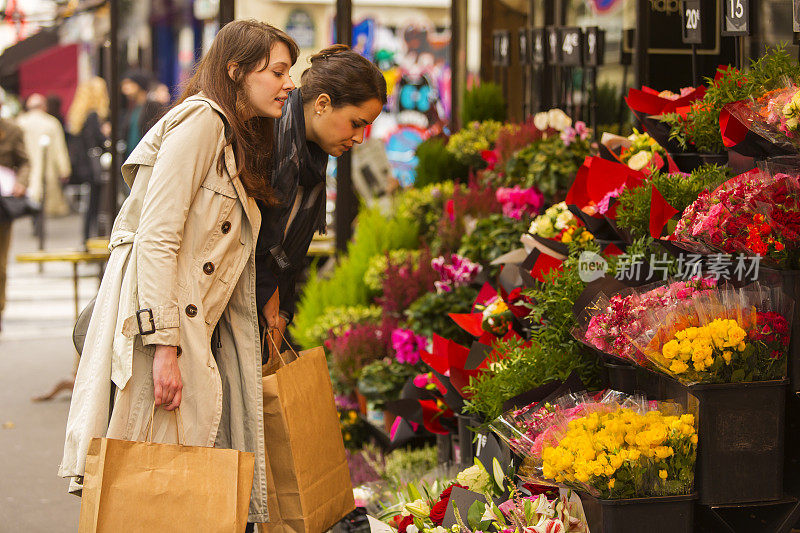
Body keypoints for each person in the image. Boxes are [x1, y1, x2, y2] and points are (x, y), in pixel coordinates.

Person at [59, 20, 299, 527]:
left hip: (190, 330)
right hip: (161, 330)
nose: (289, 83)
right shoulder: (202, 123)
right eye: (277, 71)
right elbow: (157, 235)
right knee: (151, 479)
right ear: (235, 70)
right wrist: (165, 346)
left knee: (171, 481)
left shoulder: (235, 136)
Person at [256, 44, 386, 352]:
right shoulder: (265, 142)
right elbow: (248, 237)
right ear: (323, 104)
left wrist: (284, 310)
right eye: (357, 123)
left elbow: (289, 253)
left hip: (268, 317)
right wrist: (269, 296)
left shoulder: (311, 158)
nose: (359, 138)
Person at [65, 77, 110, 241]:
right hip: (94, 167)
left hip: (84, 166)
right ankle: (90, 238)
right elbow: (96, 141)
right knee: (95, 205)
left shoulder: (79, 116)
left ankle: (86, 238)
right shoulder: (93, 116)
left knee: (90, 204)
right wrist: (106, 136)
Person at [16, 93, 72, 216]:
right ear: (43, 106)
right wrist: (64, 169)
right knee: (44, 198)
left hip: (25, 167)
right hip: (47, 167)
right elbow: (60, 149)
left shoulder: (20, 122)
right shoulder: (51, 123)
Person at [0, 108, 30, 333]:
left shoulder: (11, 130)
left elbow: (25, 162)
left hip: (3, 204)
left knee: (0, 264)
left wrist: (21, 182)